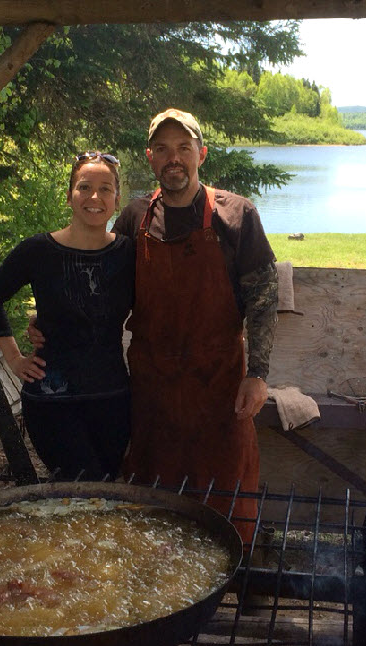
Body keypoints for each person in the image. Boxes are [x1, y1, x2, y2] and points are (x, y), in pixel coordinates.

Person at [30, 109, 278, 542]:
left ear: (201, 153)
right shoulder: (134, 218)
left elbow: (263, 300)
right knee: (155, 498)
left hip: (219, 387)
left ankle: (243, 581)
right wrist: (50, 321)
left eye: (183, 148)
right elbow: (101, 294)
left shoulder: (236, 216)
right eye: (163, 149)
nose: (174, 158)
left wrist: (257, 375)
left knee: (227, 495)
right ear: (150, 158)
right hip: (152, 388)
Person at [0, 151, 134, 481]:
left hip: (113, 399)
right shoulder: (38, 251)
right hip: (53, 401)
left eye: (106, 188)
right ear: (69, 197)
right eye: (84, 187)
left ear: (117, 200)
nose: (95, 197)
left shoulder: (128, 253)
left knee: (104, 492)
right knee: (81, 486)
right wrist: (14, 359)